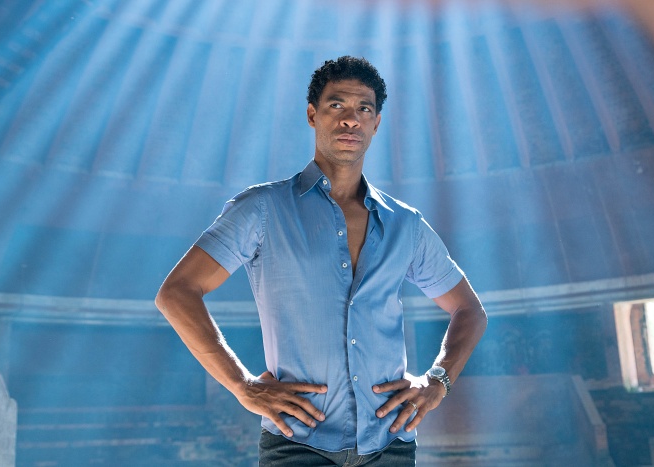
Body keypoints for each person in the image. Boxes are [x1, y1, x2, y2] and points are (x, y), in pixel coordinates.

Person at [155, 56, 487, 466]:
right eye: (336, 105)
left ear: (376, 123)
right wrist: (242, 385)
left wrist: (438, 380)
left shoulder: (406, 224)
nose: (351, 119)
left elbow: (469, 310)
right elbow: (177, 293)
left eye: (363, 108)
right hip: (297, 445)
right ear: (312, 114)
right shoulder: (263, 208)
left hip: (390, 445)